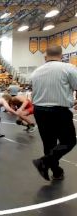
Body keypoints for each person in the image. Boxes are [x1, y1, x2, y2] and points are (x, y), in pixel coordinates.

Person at [30, 46, 77, 181]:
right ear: (61, 56)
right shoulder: (68, 68)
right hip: (59, 111)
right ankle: (43, 162)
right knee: (69, 141)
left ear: (46, 57)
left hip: (39, 111)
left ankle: (56, 172)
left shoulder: (36, 71)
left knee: (49, 144)